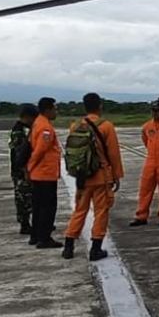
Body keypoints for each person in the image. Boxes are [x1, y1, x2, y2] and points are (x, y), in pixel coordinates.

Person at [62, 92, 124, 261]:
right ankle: (95, 248)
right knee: (101, 212)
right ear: (100, 106)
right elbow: (113, 154)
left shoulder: (75, 126)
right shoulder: (106, 126)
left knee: (80, 210)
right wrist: (116, 175)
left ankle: (68, 245)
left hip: (82, 176)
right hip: (101, 176)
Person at [27, 96, 63, 249]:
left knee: (38, 206)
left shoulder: (38, 123)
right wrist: (31, 166)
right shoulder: (45, 128)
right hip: (45, 173)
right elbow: (40, 150)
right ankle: (44, 238)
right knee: (47, 207)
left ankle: (35, 235)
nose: (56, 112)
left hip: (39, 173)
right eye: (55, 109)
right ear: (47, 110)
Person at [8, 103, 38, 237]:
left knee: (25, 197)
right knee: (23, 198)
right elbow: (20, 154)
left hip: (19, 170)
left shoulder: (20, 129)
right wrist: (25, 171)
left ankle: (27, 223)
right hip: (20, 171)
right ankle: (25, 224)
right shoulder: (19, 132)